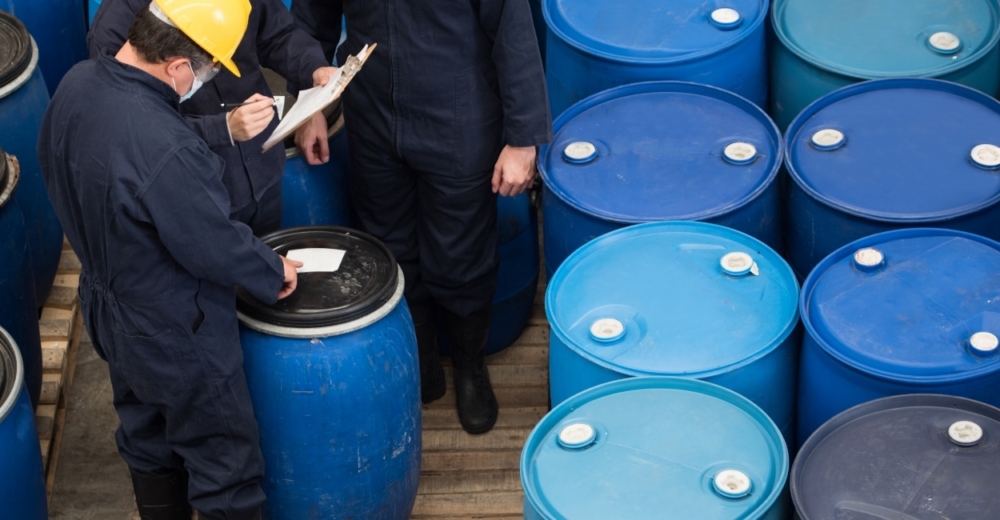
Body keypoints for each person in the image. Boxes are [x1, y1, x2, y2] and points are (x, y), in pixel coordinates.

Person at [37, 1, 302, 518]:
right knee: (225, 465)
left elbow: (80, 157)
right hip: (176, 328)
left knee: (145, 436)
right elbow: (212, 243)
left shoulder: (76, 83)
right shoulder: (167, 150)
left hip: (108, 306)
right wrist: (272, 271)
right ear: (178, 67)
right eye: (203, 71)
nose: (201, 83)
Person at [293, 0, 552, 434]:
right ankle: (422, 367)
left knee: (461, 255)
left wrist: (524, 141)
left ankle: (470, 369)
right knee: (390, 247)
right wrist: (310, 104)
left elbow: (513, 32)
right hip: (372, 116)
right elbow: (309, 22)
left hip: (457, 114)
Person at [89, 0, 336, 236]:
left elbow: (277, 35)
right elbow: (130, 130)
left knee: (271, 266)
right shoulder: (115, 26)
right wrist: (222, 128)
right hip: (196, 193)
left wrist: (313, 68)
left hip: (262, 169)